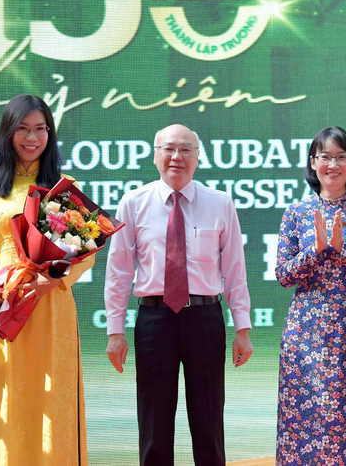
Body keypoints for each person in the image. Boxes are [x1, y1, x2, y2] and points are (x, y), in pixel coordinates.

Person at [105, 124, 253, 466]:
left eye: (186, 149)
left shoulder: (220, 203)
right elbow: (119, 272)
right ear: (155, 155)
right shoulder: (133, 203)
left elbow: (234, 271)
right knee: (154, 421)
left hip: (205, 318)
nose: (177, 157)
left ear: (198, 157)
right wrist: (116, 332)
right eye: (169, 149)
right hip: (154, 320)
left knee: (209, 419)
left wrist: (242, 329)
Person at [0, 94, 92, 466]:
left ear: (50, 134)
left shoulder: (64, 186)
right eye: (22, 128)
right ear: (8, 132)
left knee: (54, 398)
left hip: (52, 304)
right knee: (8, 396)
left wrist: (55, 281)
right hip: (6, 303)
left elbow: (88, 251)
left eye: (40, 129)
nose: (32, 137)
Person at [274, 126, 346, 465]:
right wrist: (317, 248)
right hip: (306, 332)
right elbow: (284, 275)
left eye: (341, 157)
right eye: (325, 157)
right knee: (305, 418)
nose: (333, 165)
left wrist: (342, 250)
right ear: (313, 163)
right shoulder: (295, 214)